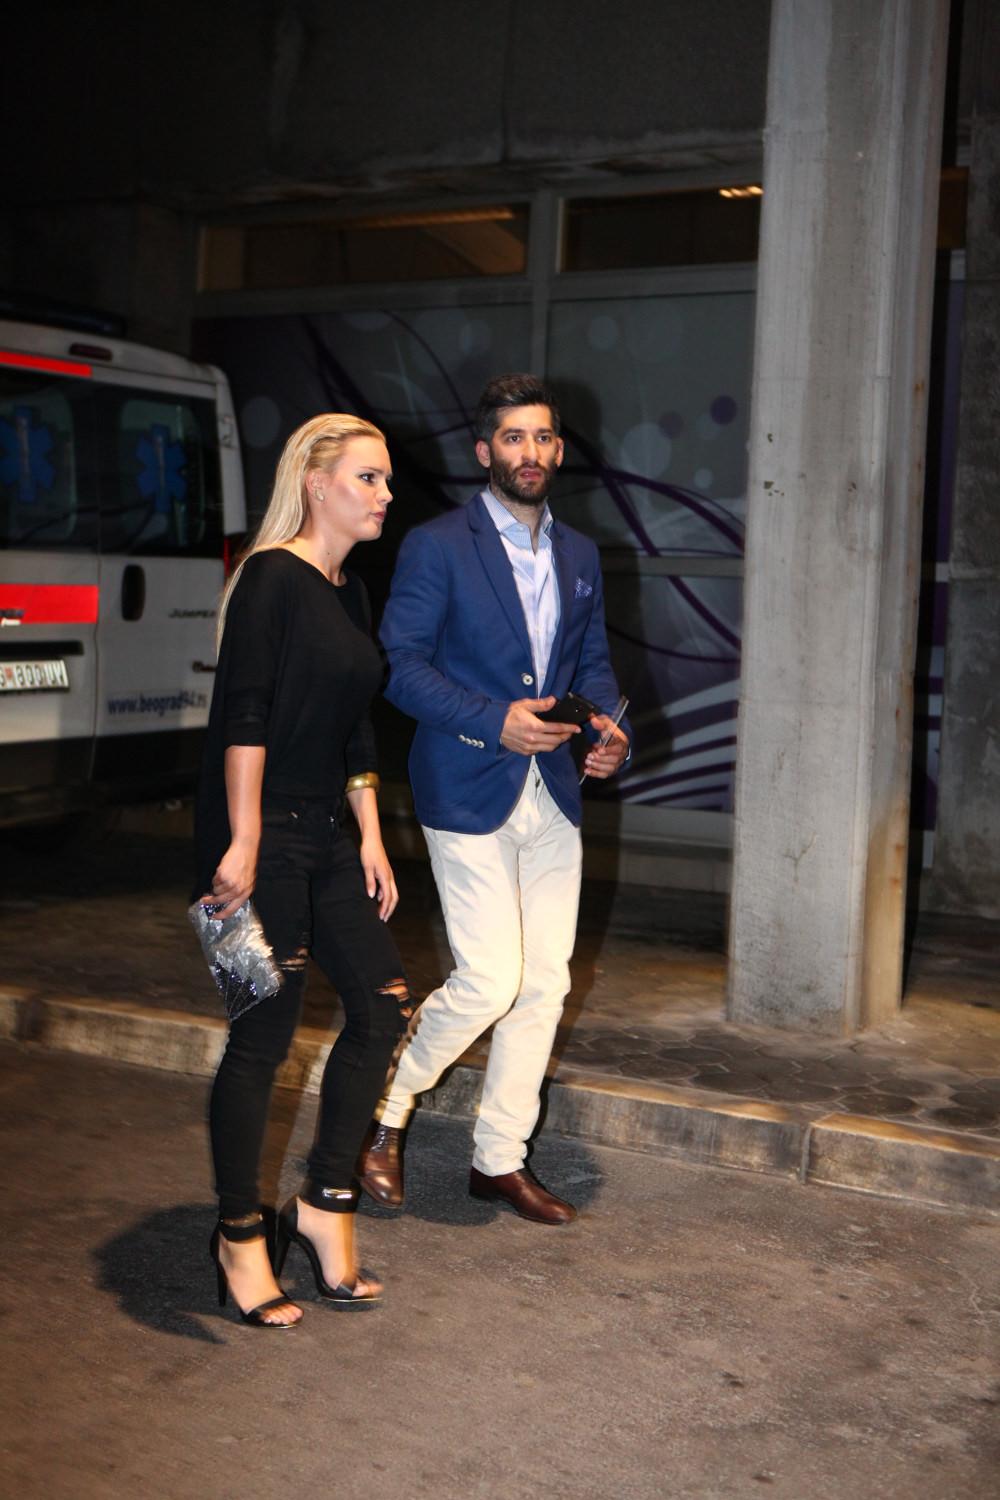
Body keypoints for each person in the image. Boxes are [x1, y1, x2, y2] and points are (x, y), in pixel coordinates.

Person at [359, 374, 629, 1225]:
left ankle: (498, 1159)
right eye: (514, 438)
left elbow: (590, 666)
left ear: (559, 450)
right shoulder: (439, 545)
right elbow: (398, 665)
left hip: (554, 791)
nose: (530, 452)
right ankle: (384, 1107)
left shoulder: (580, 555)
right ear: (485, 451)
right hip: (468, 780)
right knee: (487, 982)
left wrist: (610, 728)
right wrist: (492, 722)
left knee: (544, 983)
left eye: (543, 437)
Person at [196, 413, 412, 1327]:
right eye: (369, 478)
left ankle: (325, 1206)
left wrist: (370, 833)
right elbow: (242, 714)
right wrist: (242, 840)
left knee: (384, 1006)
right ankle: (239, 1234)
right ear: (317, 483)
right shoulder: (269, 578)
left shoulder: (347, 592)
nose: (386, 494)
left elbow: (356, 726)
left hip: (328, 834)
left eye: (387, 480)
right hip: (257, 838)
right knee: (262, 1030)